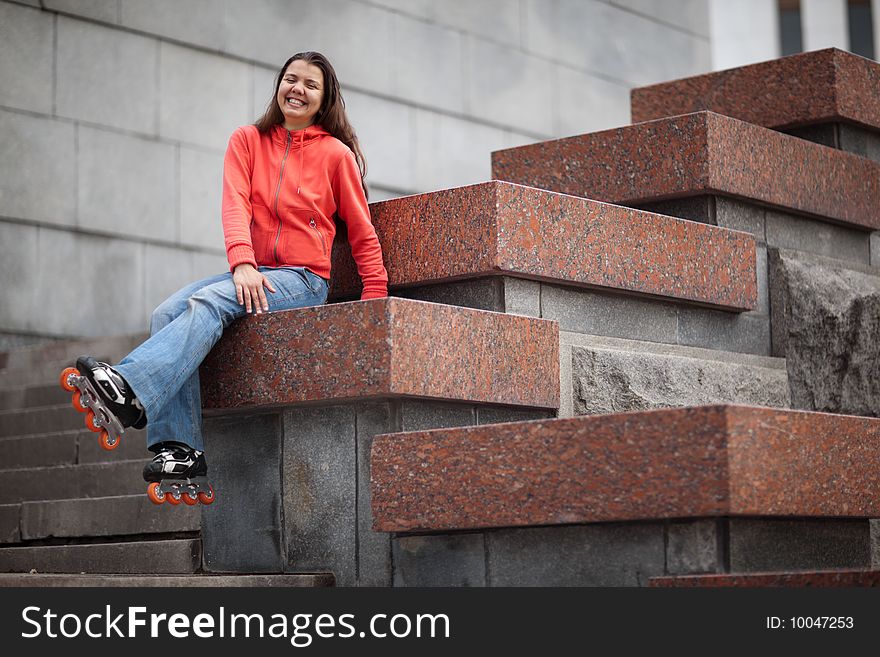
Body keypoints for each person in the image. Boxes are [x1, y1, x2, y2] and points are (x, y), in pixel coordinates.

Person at [64, 51, 388, 504]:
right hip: (251, 271)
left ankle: (129, 387)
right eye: (290, 79)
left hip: (302, 279)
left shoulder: (336, 156)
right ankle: (180, 449)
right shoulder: (248, 140)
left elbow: (362, 232)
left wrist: (374, 301)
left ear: (324, 99)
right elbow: (234, 205)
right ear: (279, 86)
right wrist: (242, 263)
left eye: (310, 85)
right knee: (167, 311)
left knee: (207, 304)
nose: (297, 89)